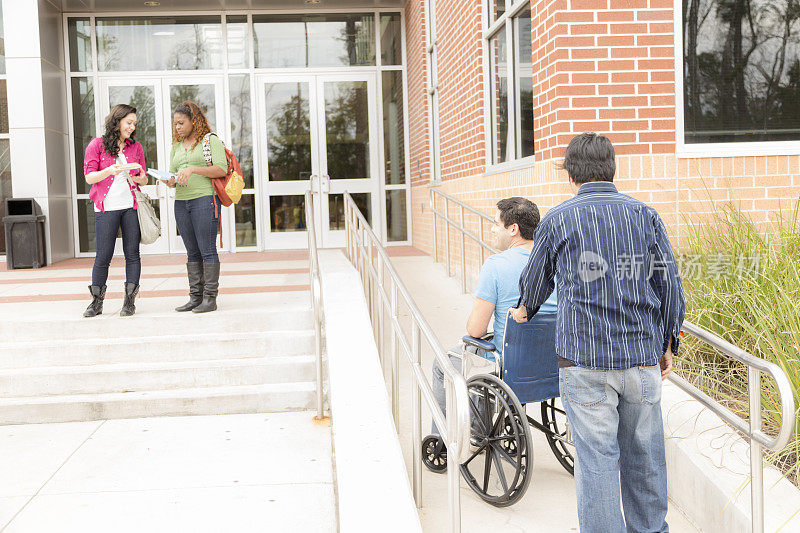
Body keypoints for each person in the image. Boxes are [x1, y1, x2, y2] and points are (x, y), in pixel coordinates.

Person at [511, 133, 685, 533]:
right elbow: (670, 286)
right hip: (640, 357)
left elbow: (534, 280)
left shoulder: (558, 219)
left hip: (583, 362)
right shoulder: (645, 215)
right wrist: (667, 343)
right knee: (644, 457)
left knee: (597, 461)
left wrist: (525, 309)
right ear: (613, 168)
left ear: (572, 172)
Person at [431, 197, 557, 435]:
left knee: (445, 362)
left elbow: (475, 330)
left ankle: (447, 438)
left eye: (495, 223)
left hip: (509, 364)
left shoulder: (496, 265)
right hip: (549, 364)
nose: (491, 229)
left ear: (513, 229)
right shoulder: (555, 262)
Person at [82, 104, 148, 318]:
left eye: (134, 124)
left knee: (132, 254)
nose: (132, 127)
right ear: (116, 121)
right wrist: (109, 170)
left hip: (130, 207)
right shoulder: (96, 145)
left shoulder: (135, 147)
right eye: (129, 123)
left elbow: (144, 178)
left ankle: (129, 302)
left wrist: (139, 178)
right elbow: (89, 177)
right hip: (106, 208)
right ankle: (96, 302)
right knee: (103, 255)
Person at [168, 101, 228, 313]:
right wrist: (170, 180)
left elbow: (221, 169)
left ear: (194, 120)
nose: (178, 127)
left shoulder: (209, 140)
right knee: (192, 251)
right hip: (181, 202)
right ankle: (195, 297)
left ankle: (210, 299)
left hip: (204, 199)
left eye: (181, 123)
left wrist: (194, 169)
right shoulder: (176, 145)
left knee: (207, 250)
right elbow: (174, 172)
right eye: (175, 124)